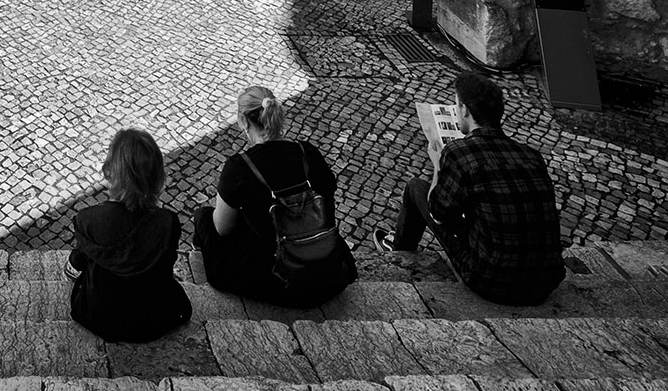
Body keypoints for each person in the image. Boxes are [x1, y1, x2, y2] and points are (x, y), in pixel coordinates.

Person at [374, 70, 565, 305]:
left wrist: (437, 164)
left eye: (456, 106)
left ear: (464, 110)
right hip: (545, 282)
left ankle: (399, 253)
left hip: (492, 279)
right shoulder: (531, 156)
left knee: (416, 188)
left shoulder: (459, 152)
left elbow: (439, 213)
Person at [193, 83, 356, 305]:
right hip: (328, 272)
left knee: (203, 217)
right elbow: (328, 203)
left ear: (243, 121)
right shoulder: (308, 153)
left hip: (280, 280)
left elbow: (222, 228)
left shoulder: (240, 168)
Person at [65, 127, 193, 343]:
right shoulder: (167, 222)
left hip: (99, 318)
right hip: (153, 320)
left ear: (109, 172)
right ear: (158, 177)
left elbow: (76, 265)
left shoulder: (88, 220)